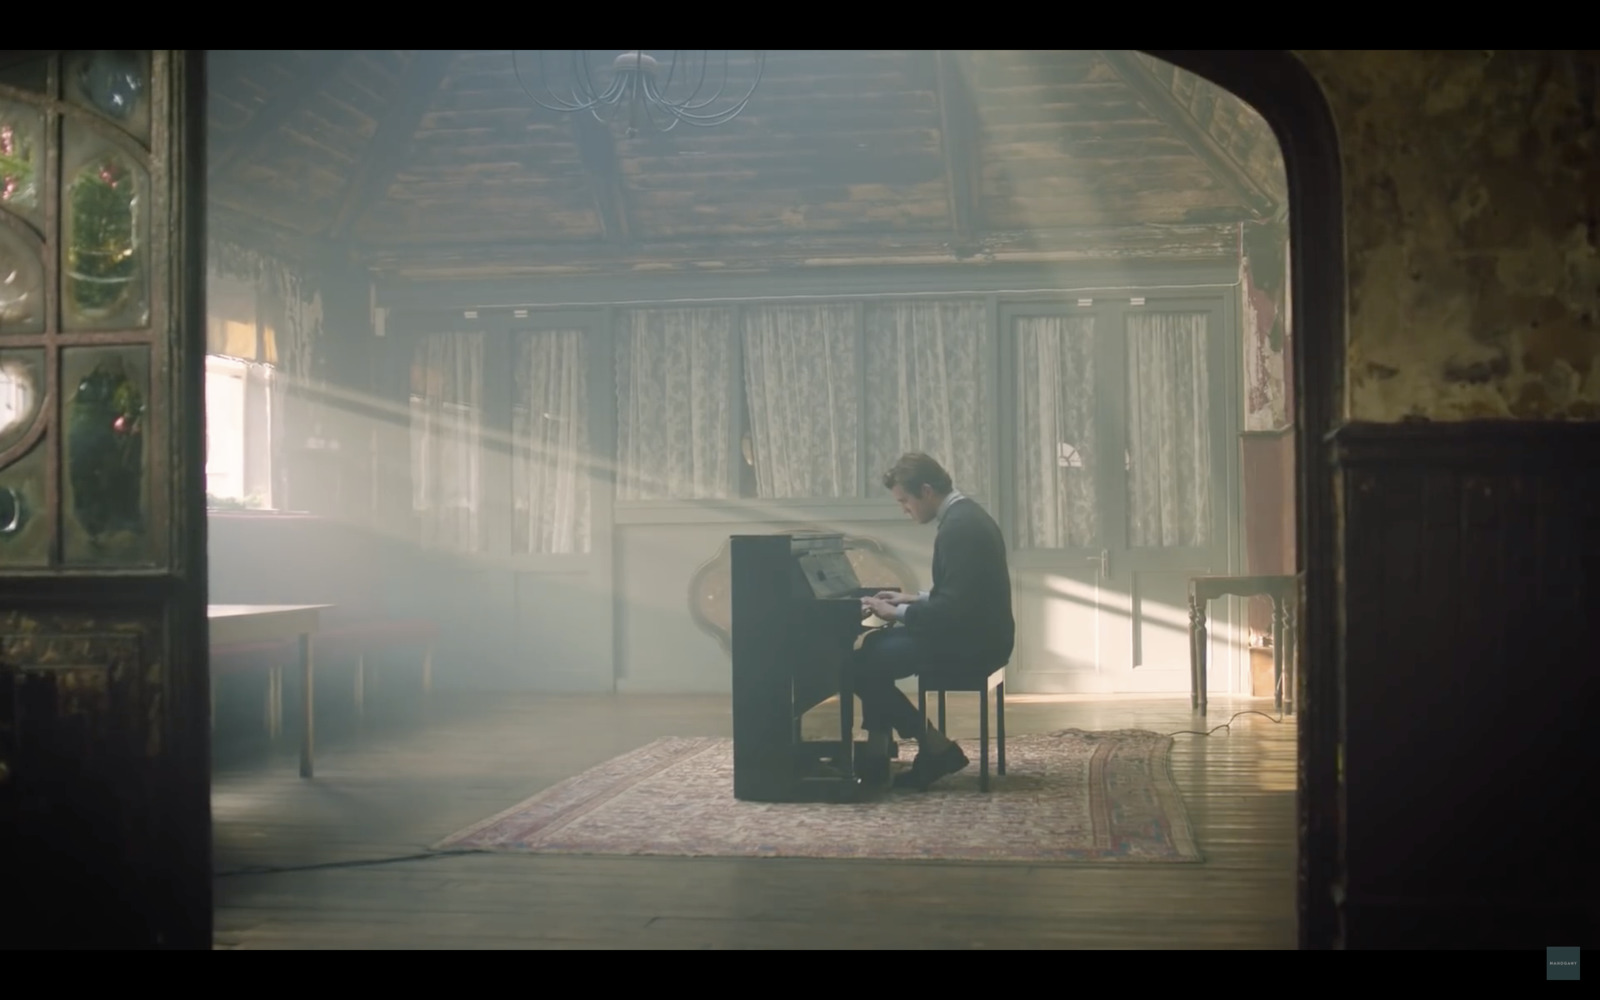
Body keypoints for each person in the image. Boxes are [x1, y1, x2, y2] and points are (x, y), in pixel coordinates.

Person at [856, 452, 1014, 791]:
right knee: (873, 651)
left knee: (865, 663)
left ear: (926, 490)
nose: (905, 510)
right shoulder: (965, 517)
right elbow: (963, 595)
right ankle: (891, 748)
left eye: (905, 501)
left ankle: (932, 748)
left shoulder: (960, 529)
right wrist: (912, 599)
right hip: (977, 633)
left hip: (973, 644)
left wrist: (895, 613)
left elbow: (953, 611)